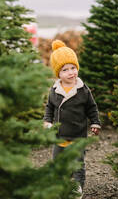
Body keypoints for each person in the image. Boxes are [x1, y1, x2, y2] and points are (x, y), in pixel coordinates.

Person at [43, 40, 101, 198]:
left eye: (73, 68)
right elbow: (49, 107)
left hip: (77, 136)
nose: (71, 72)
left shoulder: (82, 89)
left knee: (77, 164)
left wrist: (95, 122)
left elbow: (91, 107)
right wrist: (47, 121)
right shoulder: (55, 90)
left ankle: (77, 188)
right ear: (58, 73)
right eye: (65, 70)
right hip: (60, 135)